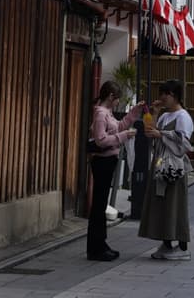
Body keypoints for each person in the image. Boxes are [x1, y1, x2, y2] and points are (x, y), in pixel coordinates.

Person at [139, 79, 193, 262]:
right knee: (162, 205)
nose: (162, 97)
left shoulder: (183, 116)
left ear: (174, 95)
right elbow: (150, 131)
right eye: (161, 93)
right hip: (161, 163)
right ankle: (167, 242)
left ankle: (182, 245)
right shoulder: (164, 116)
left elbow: (183, 143)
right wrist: (154, 113)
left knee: (175, 205)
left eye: (165, 94)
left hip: (173, 166)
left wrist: (162, 134)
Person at [87, 82, 126, 261]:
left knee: (100, 204)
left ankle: (100, 244)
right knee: (99, 204)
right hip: (102, 160)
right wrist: (123, 137)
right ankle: (96, 247)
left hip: (107, 160)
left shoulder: (106, 113)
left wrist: (134, 114)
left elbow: (119, 126)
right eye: (117, 99)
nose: (117, 102)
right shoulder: (101, 114)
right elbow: (101, 140)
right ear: (111, 96)